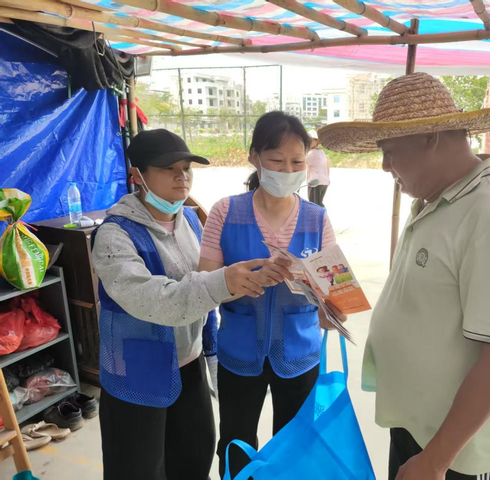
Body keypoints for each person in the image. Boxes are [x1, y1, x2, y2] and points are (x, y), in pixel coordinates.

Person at [319, 73, 490, 480]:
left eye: (390, 152)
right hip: (417, 424)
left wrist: (435, 461)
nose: (385, 166)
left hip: (455, 450)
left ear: (430, 138)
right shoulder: (434, 198)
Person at [92, 129, 285, 480]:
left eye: (186, 168)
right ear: (137, 176)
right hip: (137, 371)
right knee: (138, 468)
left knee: (195, 456)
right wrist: (223, 282)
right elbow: (153, 299)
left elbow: (206, 286)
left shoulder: (191, 221)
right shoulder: (113, 235)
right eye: (168, 169)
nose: (182, 177)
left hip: (188, 363)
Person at [198, 111, 344, 478]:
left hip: (299, 354)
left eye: (297, 162)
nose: (287, 170)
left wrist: (333, 311)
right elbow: (204, 286)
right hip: (238, 353)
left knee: (296, 446)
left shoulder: (317, 219)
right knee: (235, 442)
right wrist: (239, 281)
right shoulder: (225, 211)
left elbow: (334, 294)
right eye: (277, 160)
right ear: (255, 158)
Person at [306, 130, 330, 207]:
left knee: (314, 204)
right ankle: (323, 214)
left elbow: (301, 162)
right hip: (324, 181)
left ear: (317, 141)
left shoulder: (312, 153)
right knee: (318, 203)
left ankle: (322, 215)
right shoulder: (321, 151)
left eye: (311, 140)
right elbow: (327, 166)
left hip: (315, 182)